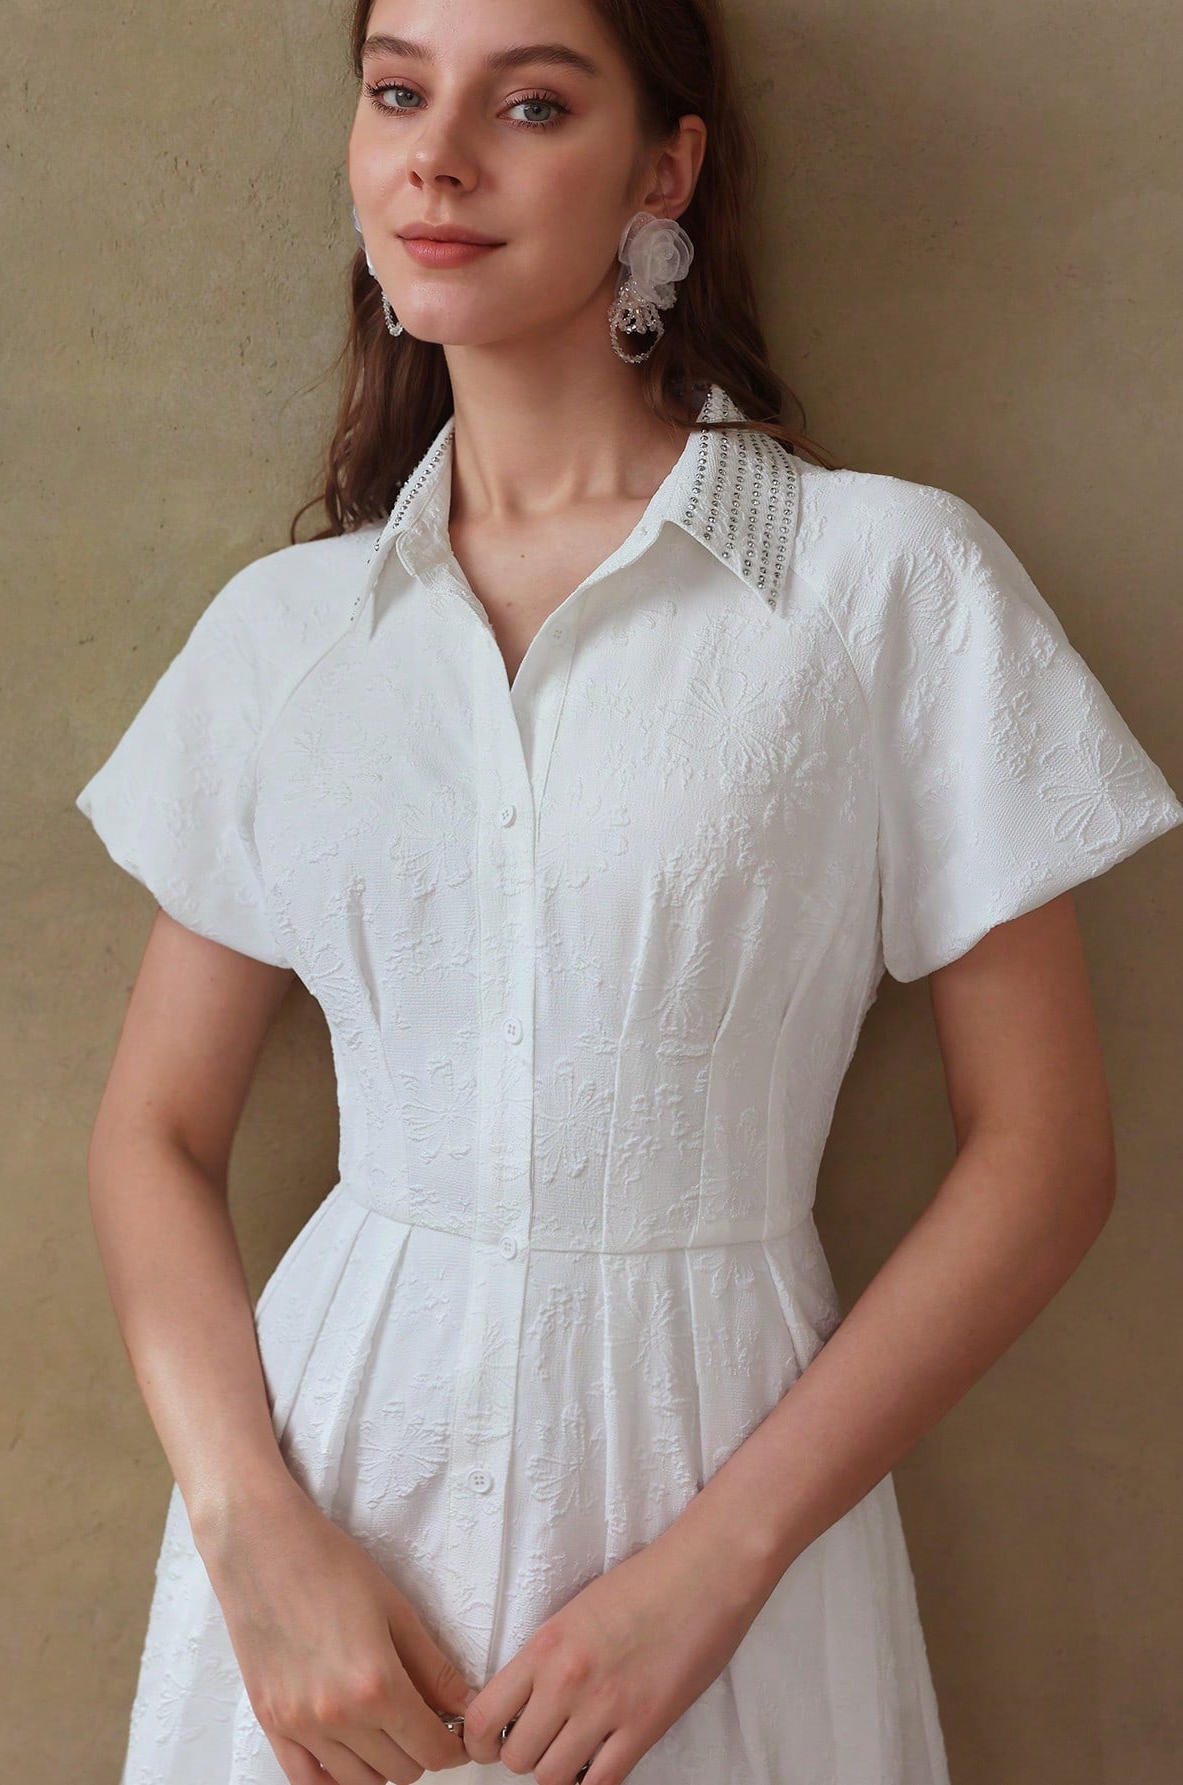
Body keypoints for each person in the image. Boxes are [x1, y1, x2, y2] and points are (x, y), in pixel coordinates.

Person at [74, 3, 1183, 1783]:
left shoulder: (882, 587)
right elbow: (154, 1132)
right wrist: (251, 1533)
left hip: (723, 1509)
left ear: (665, 170)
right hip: (333, 1532)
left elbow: (1046, 1155)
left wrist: (720, 1567)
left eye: (529, 104)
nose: (437, 158)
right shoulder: (287, 639)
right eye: (396, 92)